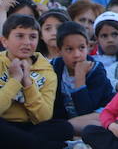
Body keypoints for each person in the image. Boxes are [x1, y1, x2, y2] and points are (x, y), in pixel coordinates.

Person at [0, 14, 74, 148]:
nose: (27, 42)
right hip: (3, 123)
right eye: (20, 36)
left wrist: (27, 83)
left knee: (64, 127)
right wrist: (15, 80)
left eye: (32, 37)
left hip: (30, 126)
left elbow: (43, 117)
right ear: (4, 41)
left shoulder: (47, 71)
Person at [50, 21, 115, 135]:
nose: (77, 54)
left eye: (81, 48)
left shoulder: (96, 70)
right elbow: (55, 107)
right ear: (59, 51)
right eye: (69, 49)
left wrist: (79, 78)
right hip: (69, 119)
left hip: (97, 115)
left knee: (83, 126)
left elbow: (86, 110)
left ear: (88, 47)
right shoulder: (55, 68)